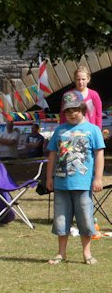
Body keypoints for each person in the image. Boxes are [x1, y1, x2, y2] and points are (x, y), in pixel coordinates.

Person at [46, 90, 105, 265]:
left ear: (83, 109)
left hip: (82, 184)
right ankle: (61, 253)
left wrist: (98, 178)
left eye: (75, 110)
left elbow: (99, 155)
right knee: (61, 219)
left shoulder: (93, 130)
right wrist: (49, 177)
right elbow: (52, 155)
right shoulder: (59, 130)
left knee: (85, 219)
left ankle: (87, 254)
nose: (72, 114)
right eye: (68, 111)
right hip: (61, 184)